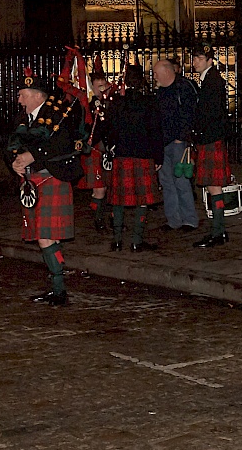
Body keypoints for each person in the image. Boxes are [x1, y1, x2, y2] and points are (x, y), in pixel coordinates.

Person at [8, 68, 84, 306]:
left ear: (38, 96)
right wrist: (14, 161)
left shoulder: (59, 115)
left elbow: (63, 145)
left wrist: (33, 157)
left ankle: (59, 290)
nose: (19, 99)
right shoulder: (22, 119)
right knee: (47, 238)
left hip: (52, 179)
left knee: (45, 236)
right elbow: (10, 144)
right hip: (31, 182)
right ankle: (57, 286)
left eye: (23, 94)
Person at [101, 64, 164, 251]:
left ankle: (117, 239)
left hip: (121, 156)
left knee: (118, 200)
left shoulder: (116, 103)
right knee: (142, 200)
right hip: (143, 156)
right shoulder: (149, 102)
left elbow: (109, 130)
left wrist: (113, 148)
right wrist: (158, 157)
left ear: (125, 82)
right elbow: (155, 132)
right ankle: (136, 241)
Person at [191, 46, 234, 248]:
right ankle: (219, 230)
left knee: (214, 187)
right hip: (209, 138)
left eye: (199, 58)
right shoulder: (209, 80)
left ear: (209, 61)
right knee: (212, 186)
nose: (195, 62)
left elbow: (209, 113)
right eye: (195, 58)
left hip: (210, 138)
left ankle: (218, 231)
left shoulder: (212, 81)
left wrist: (198, 132)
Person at [153, 58, 199, 231]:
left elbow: (191, 113)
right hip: (163, 143)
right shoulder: (160, 92)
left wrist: (182, 137)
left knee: (181, 180)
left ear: (166, 72)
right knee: (167, 182)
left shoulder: (184, 87)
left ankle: (189, 219)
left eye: (157, 73)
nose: (154, 76)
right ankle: (173, 220)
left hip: (178, 142)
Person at [79, 74, 112, 231]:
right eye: (97, 86)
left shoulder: (112, 103)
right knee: (99, 188)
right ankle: (98, 219)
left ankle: (112, 218)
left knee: (110, 186)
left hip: (109, 150)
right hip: (94, 150)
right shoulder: (87, 106)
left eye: (103, 86)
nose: (101, 90)